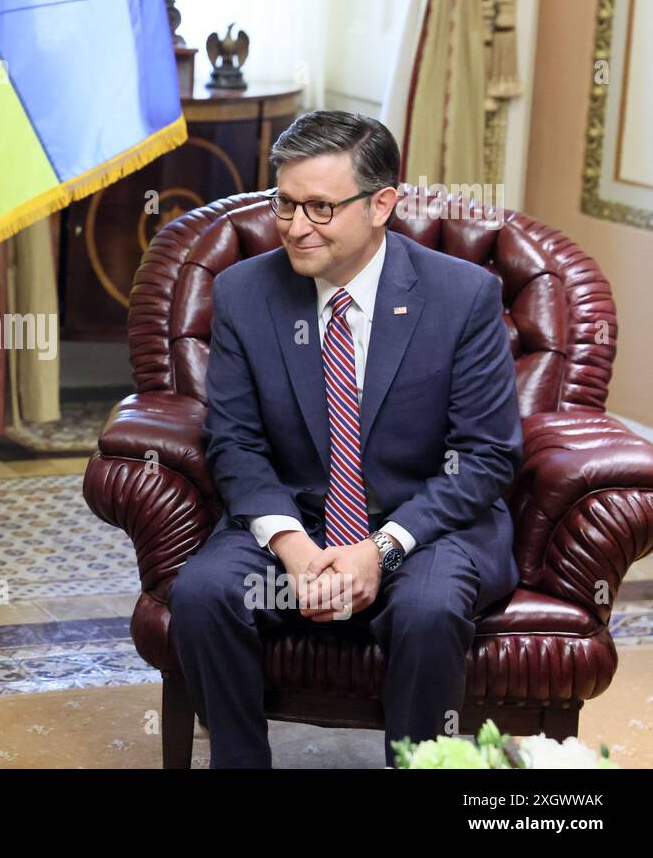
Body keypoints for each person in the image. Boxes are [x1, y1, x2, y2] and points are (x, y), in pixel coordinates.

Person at [169, 110, 522, 767]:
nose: (297, 227)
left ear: (381, 203)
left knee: (427, 610)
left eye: (321, 208)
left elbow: (485, 457)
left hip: (426, 526)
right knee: (204, 593)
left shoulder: (462, 296)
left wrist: (382, 548)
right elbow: (235, 443)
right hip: (298, 519)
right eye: (285, 203)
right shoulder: (245, 292)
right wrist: (296, 549)